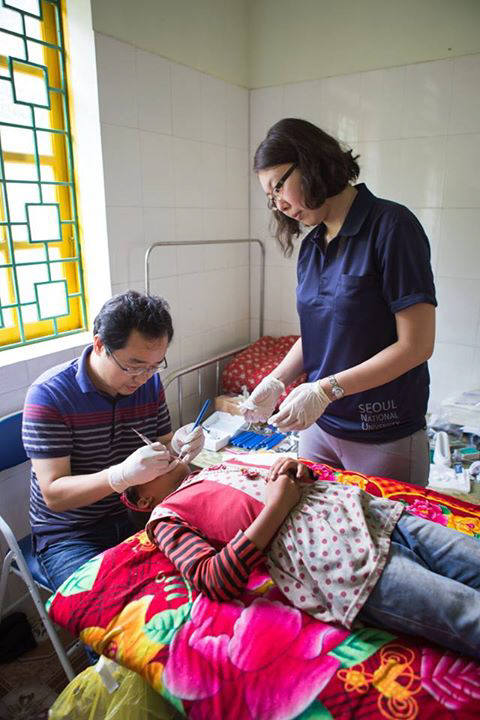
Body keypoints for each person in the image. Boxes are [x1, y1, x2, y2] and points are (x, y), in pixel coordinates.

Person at [121, 456, 480, 661]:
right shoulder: (166, 517)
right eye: (143, 466)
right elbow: (213, 579)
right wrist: (278, 505)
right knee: (466, 611)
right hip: (342, 558)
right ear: (140, 501)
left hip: (372, 512)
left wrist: (294, 470)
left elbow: (293, 481)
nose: (156, 453)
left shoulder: (218, 466)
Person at [241, 118, 437, 487]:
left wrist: (324, 389)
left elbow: (416, 346)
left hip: (383, 431)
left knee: (381, 542)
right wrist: (277, 380)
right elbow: (318, 335)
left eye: (278, 187)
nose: (279, 204)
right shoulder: (311, 247)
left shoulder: (391, 226)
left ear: (311, 161)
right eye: (271, 198)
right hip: (320, 426)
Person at [22, 290, 205, 596]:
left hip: (137, 515)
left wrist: (180, 445)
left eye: (154, 365)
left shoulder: (150, 383)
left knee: (198, 579)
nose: (142, 377)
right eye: (133, 365)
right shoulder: (49, 396)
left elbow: (163, 445)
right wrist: (118, 476)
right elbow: (54, 495)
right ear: (99, 345)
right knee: (117, 612)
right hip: (71, 533)